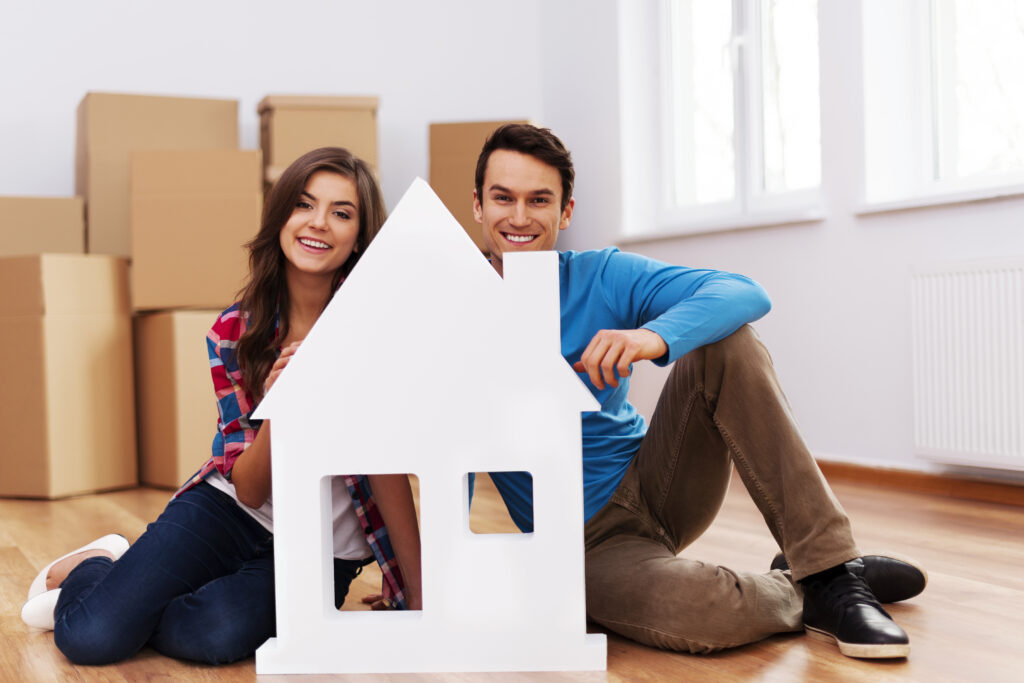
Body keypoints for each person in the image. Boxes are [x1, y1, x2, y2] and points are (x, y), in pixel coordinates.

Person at [471, 124, 926, 659]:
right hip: (588, 544)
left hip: (659, 481)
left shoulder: (603, 275)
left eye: (539, 200)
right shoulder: (458, 312)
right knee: (706, 614)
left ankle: (826, 565)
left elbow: (743, 292)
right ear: (478, 205)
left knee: (726, 341)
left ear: (566, 212)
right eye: (503, 198)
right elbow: (443, 449)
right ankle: (821, 581)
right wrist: (425, 584)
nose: (520, 217)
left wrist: (652, 336)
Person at [20, 147, 422, 665]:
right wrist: (284, 406)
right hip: (227, 509)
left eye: (341, 213)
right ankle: (100, 562)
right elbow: (250, 490)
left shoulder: (374, 333)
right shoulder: (235, 333)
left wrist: (416, 596)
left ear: (359, 237)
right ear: (281, 217)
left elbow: (386, 474)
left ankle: (130, 593)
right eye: (304, 205)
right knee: (90, 637)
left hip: (320, 551)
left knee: (209, 635)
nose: (318, 223)